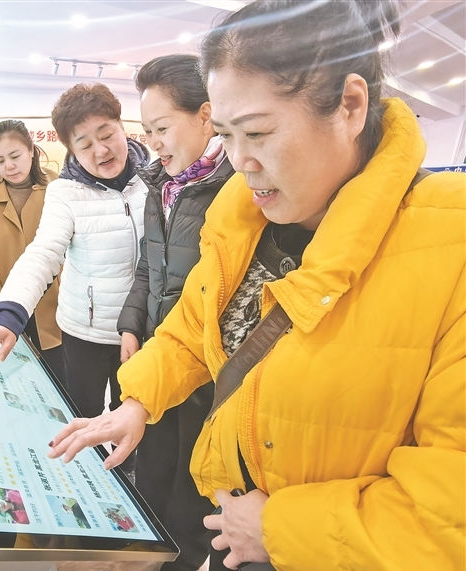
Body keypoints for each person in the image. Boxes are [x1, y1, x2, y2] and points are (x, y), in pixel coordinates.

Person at [48, 1, 465, 570]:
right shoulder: (240, 213)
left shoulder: (450, 241)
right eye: (225, 135)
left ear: (349, 106)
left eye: (258, 132)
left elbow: (449, 512)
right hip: (235, 533)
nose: (240, 161)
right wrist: (137, 401)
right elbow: (195, 325)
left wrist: (278, 529)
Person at [0, 84, 151, 474]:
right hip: (84, 329)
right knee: (80, 410)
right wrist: (8, 313)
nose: (100, 150)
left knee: (133, 413)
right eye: (84, 144)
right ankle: (85, 478)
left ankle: (127, 478)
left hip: (142, 329)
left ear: (122, 126)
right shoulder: (64, 192)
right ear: (70, 149)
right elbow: (43, 252)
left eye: (107, 135)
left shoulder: (156, 181)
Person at [116, 54, 234, 571]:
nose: (154, 142)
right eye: (147, 131)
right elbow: (149, 265)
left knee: (192, 499)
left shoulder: (236, 189)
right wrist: (131, 324)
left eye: (162, 128)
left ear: (206, 115)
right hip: (159, 357)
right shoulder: (160, 186)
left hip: (207, 372)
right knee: (152, 474)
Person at [0, 119, 65, 385]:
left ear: (31, 150)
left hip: (55, 302)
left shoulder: (59, 187)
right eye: (0, 160)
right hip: (4, 301)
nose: (9, 166)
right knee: (12, 378)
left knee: (59, 378)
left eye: (15, 156)